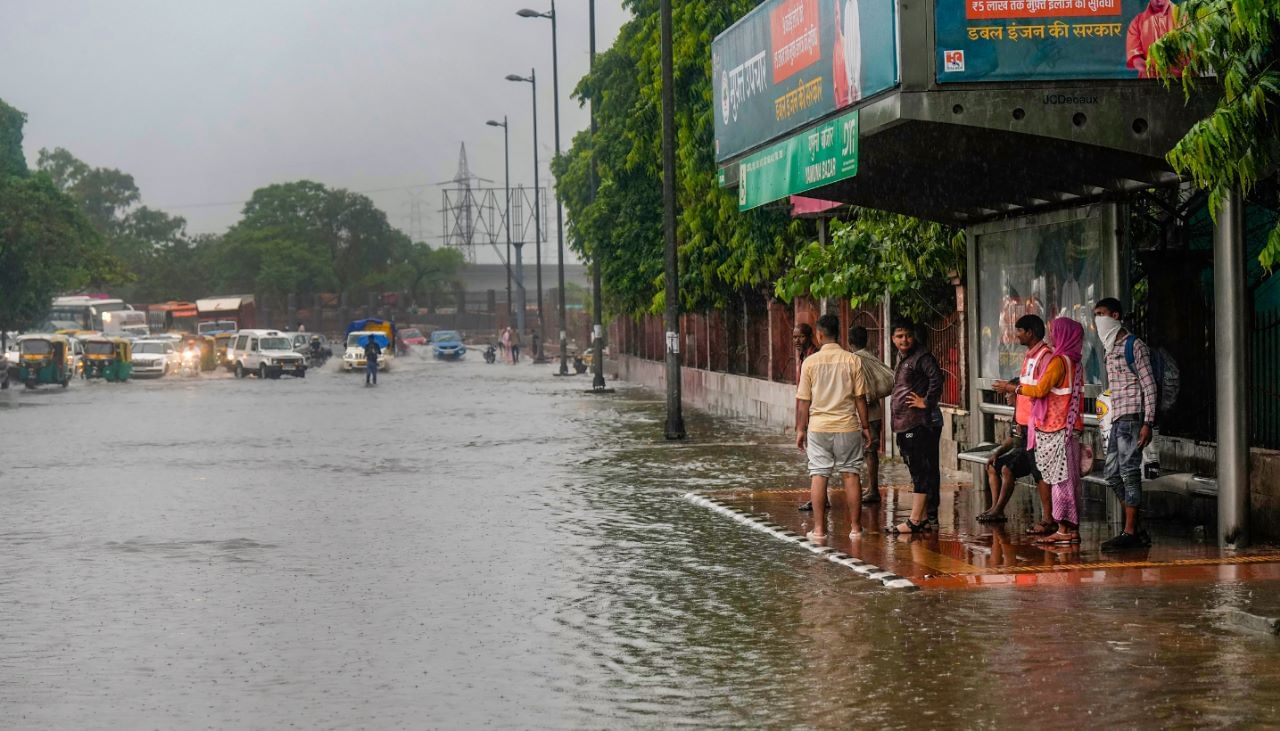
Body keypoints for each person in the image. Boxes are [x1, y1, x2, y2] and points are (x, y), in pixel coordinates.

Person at [1002, 317, 1086, 544]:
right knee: (1069, 480)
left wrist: (1012, 388)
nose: (1052, 337)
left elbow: (1040, 390)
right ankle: (1071, 529)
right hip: (1070, 427)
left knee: (1059, 481)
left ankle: (1063, 529)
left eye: (1056, 332)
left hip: (1057, 428)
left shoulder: (1059, 361)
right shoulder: (1075, 362)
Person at [795, 314, 871, 543]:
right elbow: (860, 398)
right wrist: (865, 426)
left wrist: (800, 429)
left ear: (818, 334)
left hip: (818, 428)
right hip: (848, 425)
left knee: (819, 474)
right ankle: (856, 529)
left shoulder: (810, 362)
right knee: (851, 474)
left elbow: (804, 401)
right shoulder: (852, 360)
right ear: (840, 333)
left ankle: (819, 531)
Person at [1094, 297, 1158, 550]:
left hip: (1133, 419)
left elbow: (1149, 385)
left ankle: (1130, 531)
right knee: (1111, 474)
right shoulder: (1109, 349)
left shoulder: (1135, 345)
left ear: (1116, 316)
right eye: (1095, 314)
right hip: (1117, 419)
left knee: (1129, 473)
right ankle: (1136, 528)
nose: (1098, 319)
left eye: (1102, 314)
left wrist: (1148, 422)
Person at [988, 315, 1053, 528]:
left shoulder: (1045, 356)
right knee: (1025, 469)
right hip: (1027, 427)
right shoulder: (1030, 356)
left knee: (1039, 472)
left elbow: (1040, 390)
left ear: (1030, 332)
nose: (1016, 336)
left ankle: (1048, 519)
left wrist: (1010, 388)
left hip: (1038, 425)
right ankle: (997, 509)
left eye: (1019, 331)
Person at [889, 321, 944, 534]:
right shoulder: (904, 359)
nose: (904, 340)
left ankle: (919, 519)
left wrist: (927, 402)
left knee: (923, 470)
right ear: (893, 338)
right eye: (899, 336)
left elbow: (937, 379)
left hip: (920, 423)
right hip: (906, 423)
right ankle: (923, 517)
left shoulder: (922, 357)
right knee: (919, 470)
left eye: (908, 335)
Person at [849, 326, 884, 504]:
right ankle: (871, 488)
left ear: (850, 343)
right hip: (876, 413)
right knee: (871, 452)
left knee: (868, 452)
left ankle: (873, 490)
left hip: (866, 414)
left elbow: (862, 391)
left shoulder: (855, 359)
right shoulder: (871, 357)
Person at [793, 322, 822, 512]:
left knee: (817, 464)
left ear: (810, 336)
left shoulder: (813, 357)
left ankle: (819, 499)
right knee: (816, 462)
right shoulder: (804, 356)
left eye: (801, 337)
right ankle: (820, 497)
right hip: (811, 416)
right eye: (794, 337)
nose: (797, 341)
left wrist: (801, 426)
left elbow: (808, 394)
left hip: (816, 416)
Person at [1126, 0, 1181, 78]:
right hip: (1150, 82)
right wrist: (1157, 73)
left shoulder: (1184, 17)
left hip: (1181, 80)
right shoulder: (1137, 23)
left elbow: (1192, 54)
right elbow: (1136, 60)